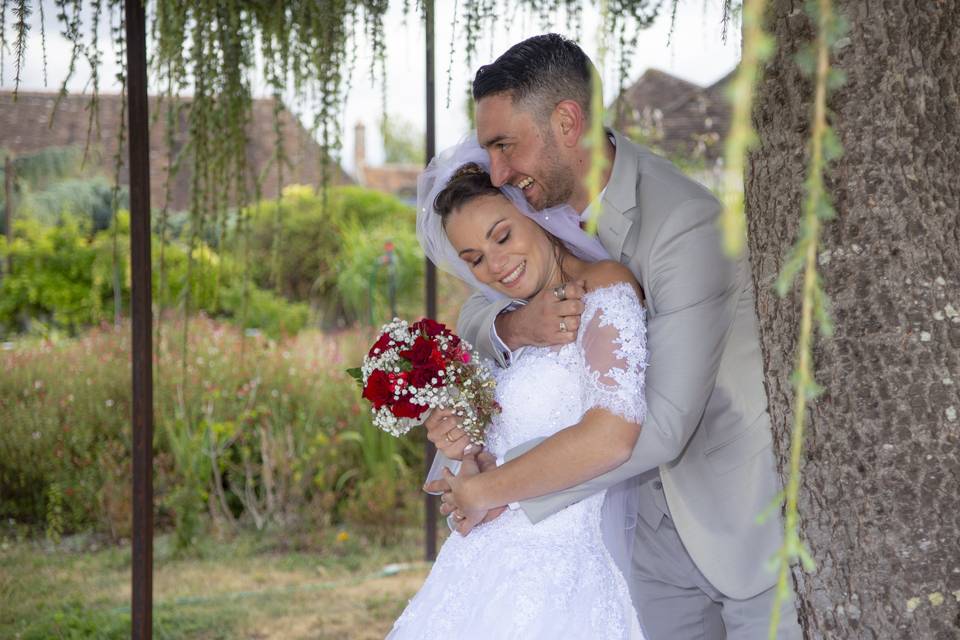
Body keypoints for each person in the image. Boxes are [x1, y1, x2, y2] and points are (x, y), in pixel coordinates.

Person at [424, 34, 802, 639]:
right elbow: (477, 309)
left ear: (567, 122)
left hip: (731, 520)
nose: (496, 170)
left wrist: (496, 485)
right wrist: (516, 325)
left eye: (505, 145)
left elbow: (661, 423)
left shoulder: (684, 223)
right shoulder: (537, 213)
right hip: (636, 539)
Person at [387, 144, 649, 639]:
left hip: (556, 574)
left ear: (539, 215)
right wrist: (464, 451)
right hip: (477, 568)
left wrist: (482, 489)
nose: (496, 265)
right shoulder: (510, 327)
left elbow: (611, 436)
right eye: (475, 259)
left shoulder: (604, 289)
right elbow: (499, 453)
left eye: (502, 236)